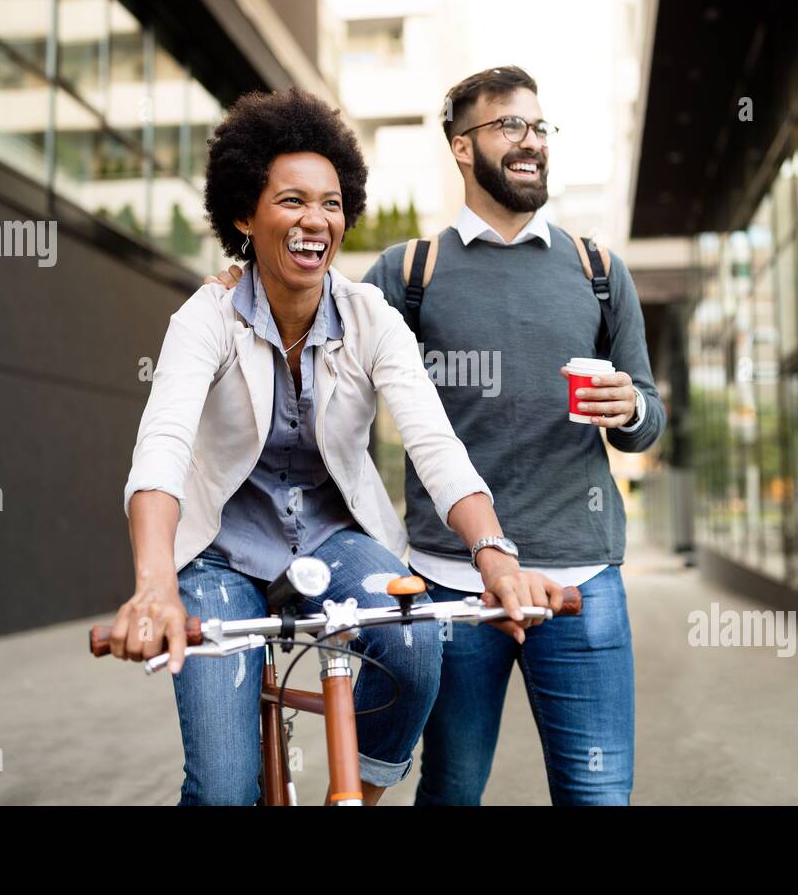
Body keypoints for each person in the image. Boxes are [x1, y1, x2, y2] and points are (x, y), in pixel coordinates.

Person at [210, 67, 665, 805]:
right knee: (452, 789)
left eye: (540, 128)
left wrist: (634, 409)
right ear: (462, 146)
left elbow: (647, 414)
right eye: (510, 126)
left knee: (600, 796)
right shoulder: (409, 272)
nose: (531, 143)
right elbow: (311, 302)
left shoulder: (600, 271)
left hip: (584, 584)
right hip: (451, 584)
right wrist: (241, 281)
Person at [110, 86, 562, 806]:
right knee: (226, 789)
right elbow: (161, 448)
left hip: (331, 538)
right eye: (290, 201)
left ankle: (355, 796)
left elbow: (433, 442)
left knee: (415, 647)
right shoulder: (207, 317)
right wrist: (155, 585)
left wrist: (494, 555)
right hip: (221, 552)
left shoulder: (370, 316)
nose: (314, 220)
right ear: (243, 215)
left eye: (329, 202)